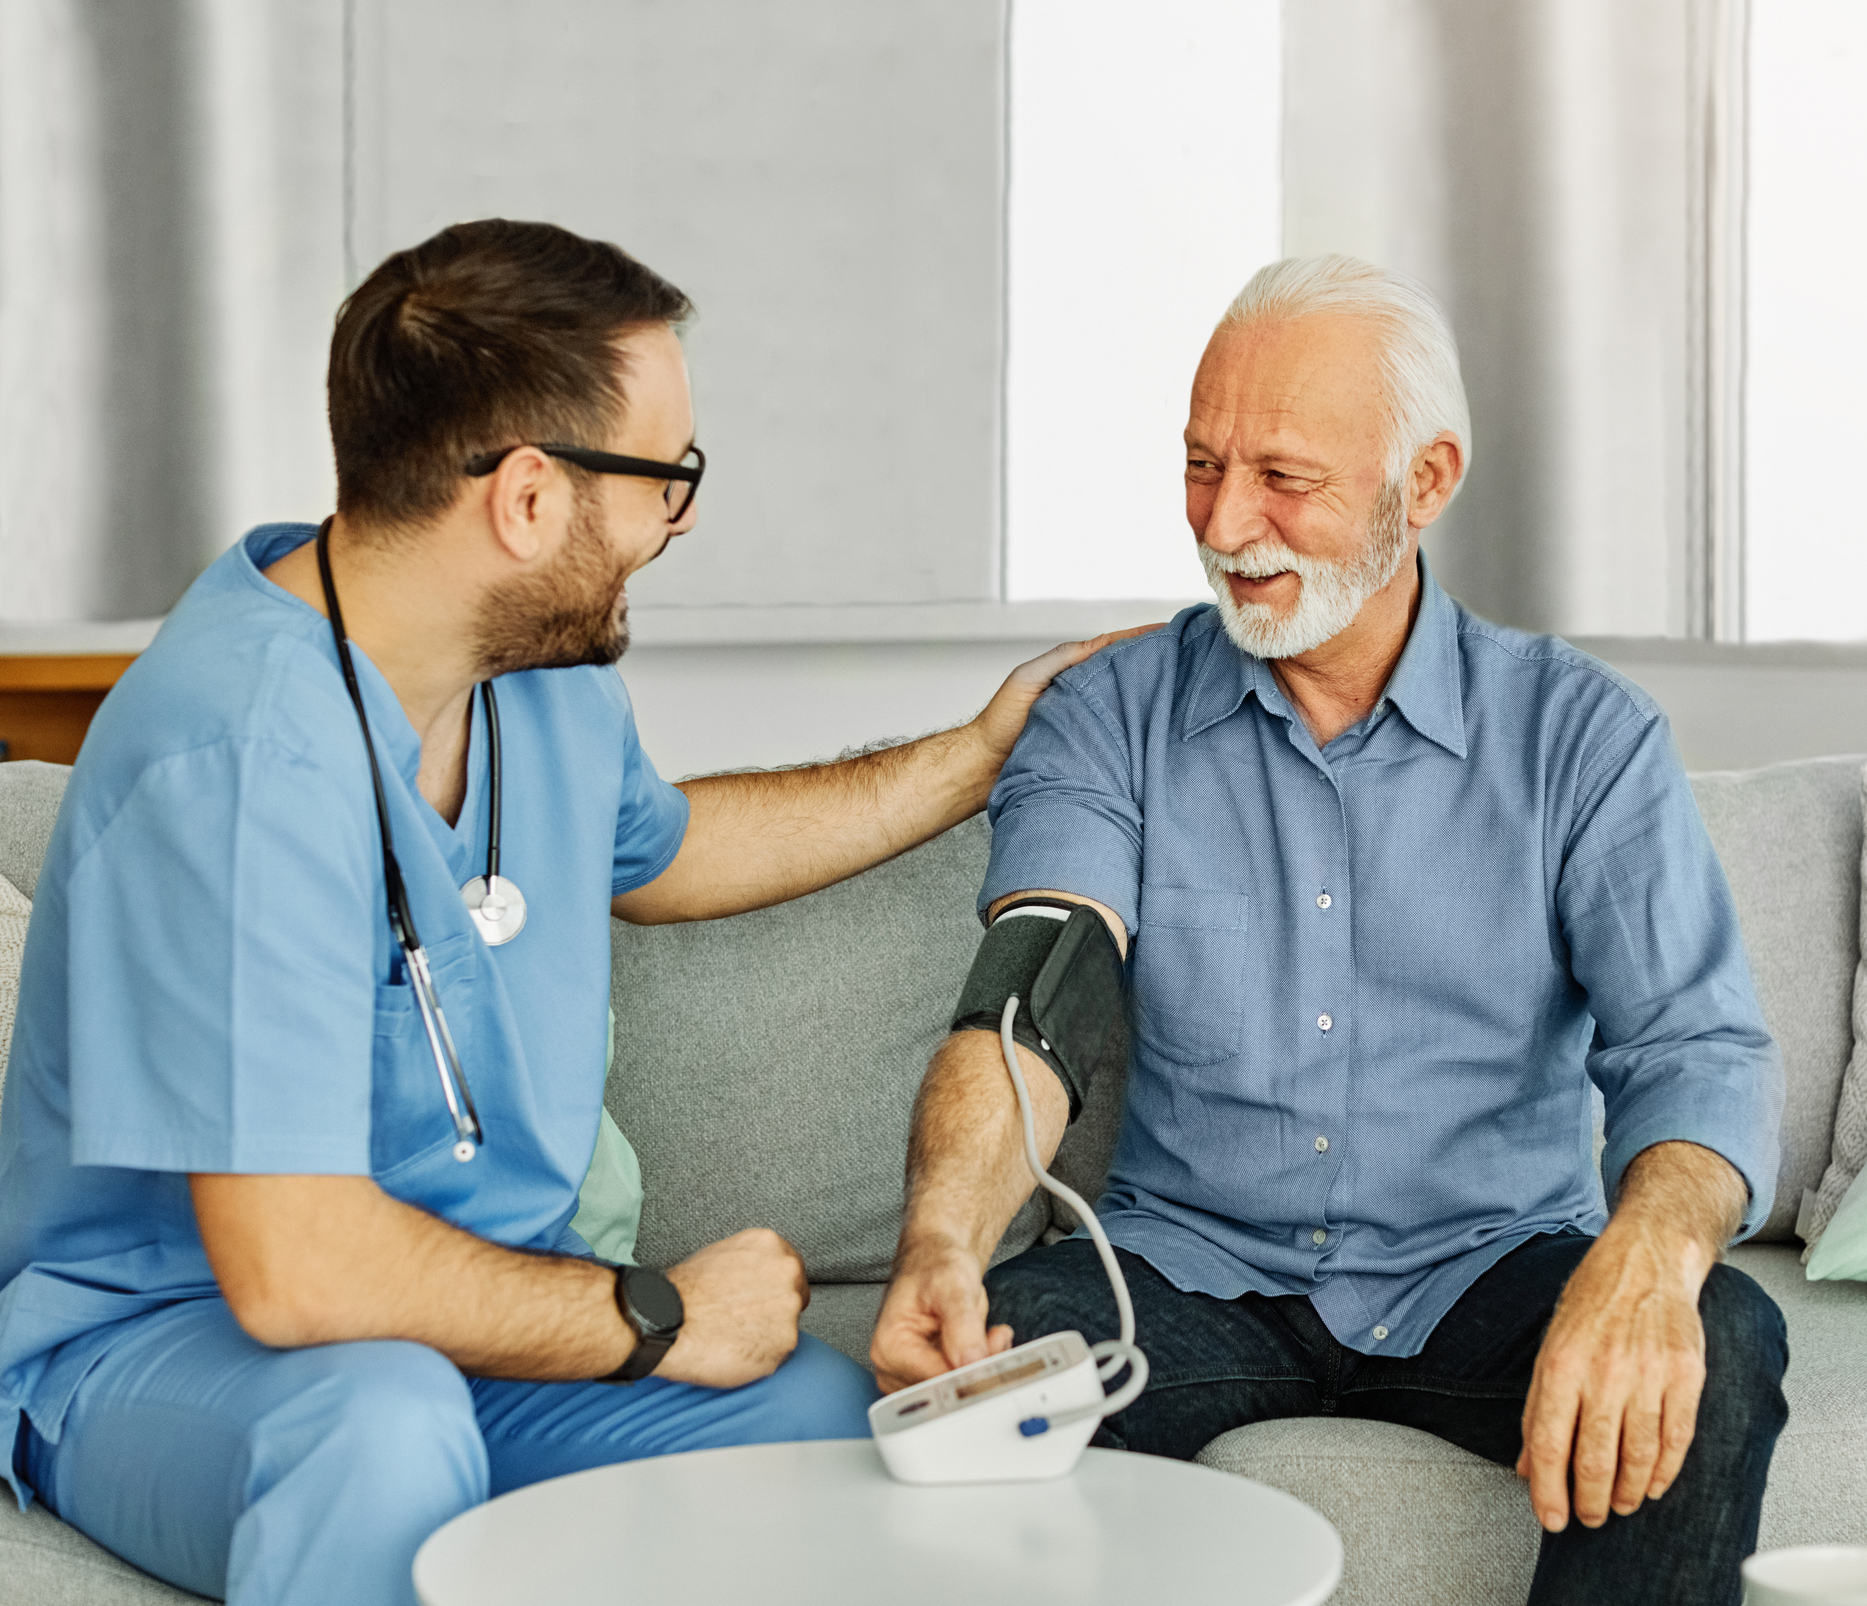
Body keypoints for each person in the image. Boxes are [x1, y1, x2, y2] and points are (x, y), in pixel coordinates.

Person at [0, 220, 1145, 1606]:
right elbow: (294, 1273)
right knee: (380, 1432)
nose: (683, 519)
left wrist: (974, 755)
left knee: (814, 1427)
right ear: (529, 499)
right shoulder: (232, 755)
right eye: (669, 478)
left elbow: (669, 849)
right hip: (181, 1346)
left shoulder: (534, 675)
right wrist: (649, 1312)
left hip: (482, 1323)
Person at [872, 255, 1789, 1606]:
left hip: (1490, 1269)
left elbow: (1695, 1046)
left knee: (1718, 1334)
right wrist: (945, 1238)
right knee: (985, 1387)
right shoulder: (1107, 712)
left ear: (1425, 482)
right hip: (1189, 1278)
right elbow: (1033, 1001)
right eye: (1201, 465)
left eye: (1283, 477)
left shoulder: (1582, 737)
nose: (1225, 520)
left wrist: (1651, 1255)